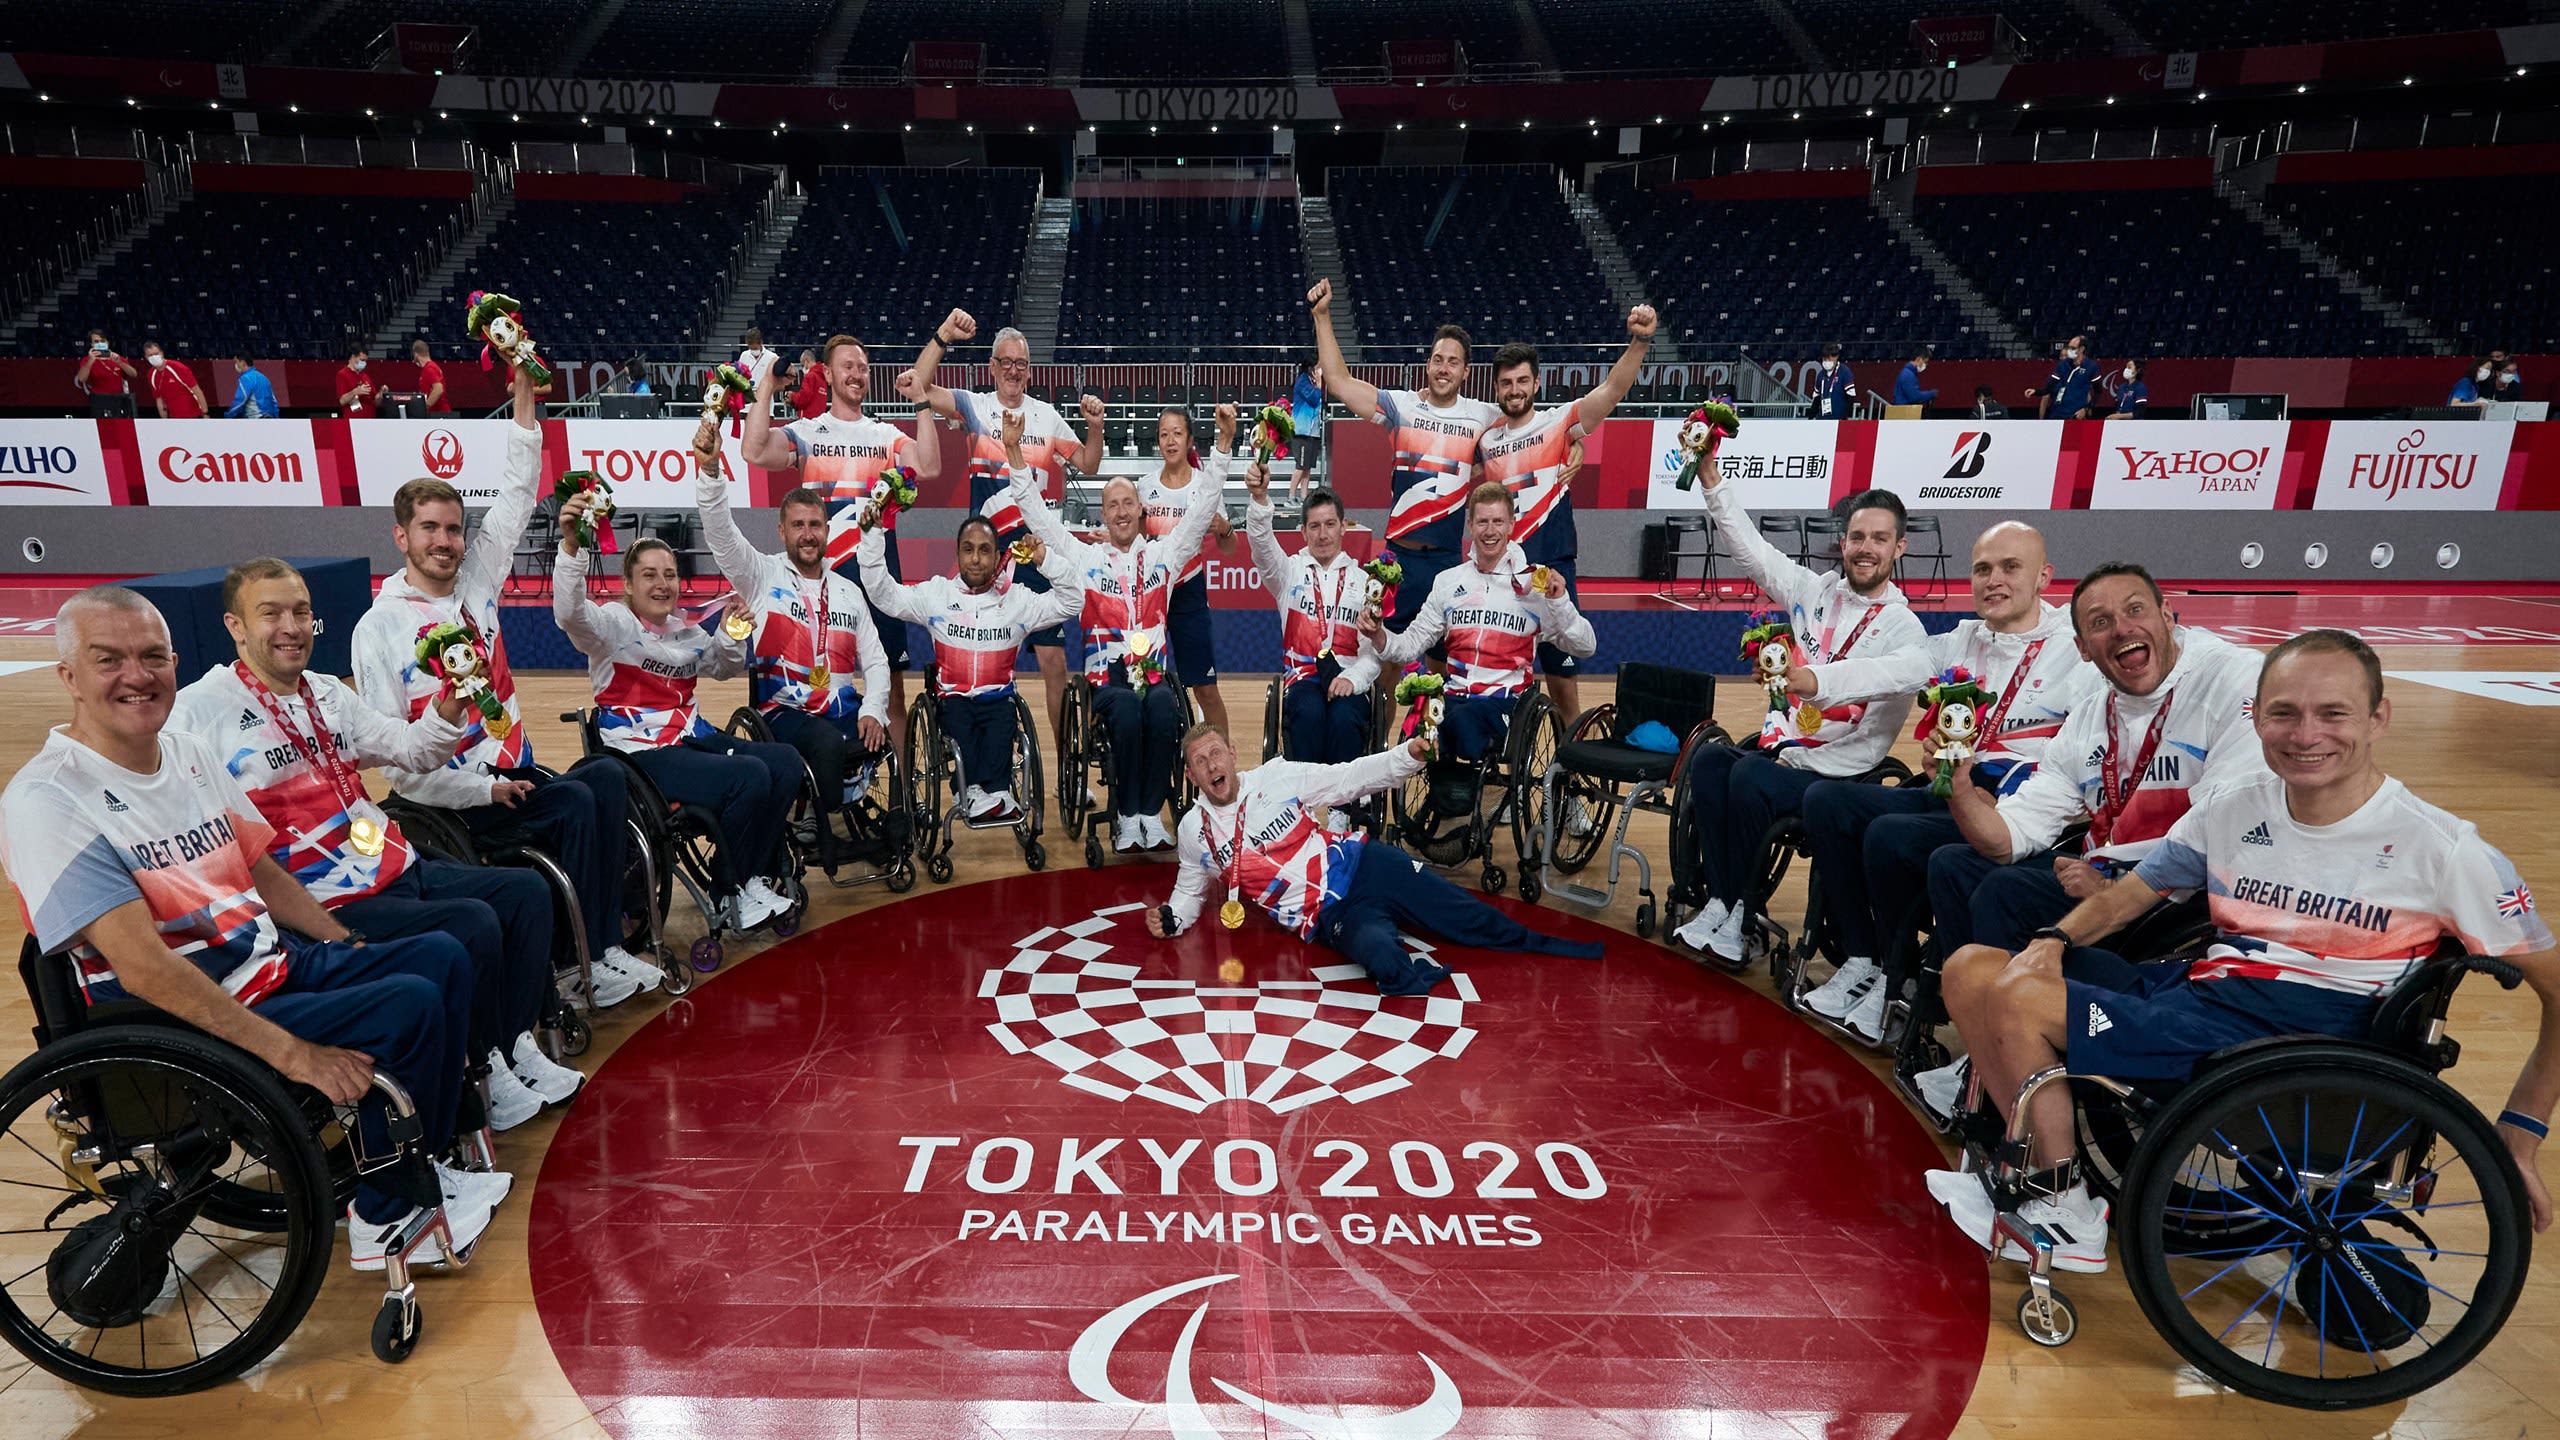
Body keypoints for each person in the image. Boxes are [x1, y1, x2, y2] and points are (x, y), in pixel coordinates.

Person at [1927, 631, 2559, 1270]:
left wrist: (2522, 1133)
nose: (2305, 734)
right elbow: (2129, 896)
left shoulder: (2447, 851)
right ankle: (2039, 1166)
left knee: (2019, 999)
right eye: (2284, 712)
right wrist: (2053, 940)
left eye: (2333, 713)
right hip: (2197, 1003)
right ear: (2255, 717)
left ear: (2378, 718)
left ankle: (2065, 1209)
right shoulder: (2233, 808)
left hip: (2279, 1046)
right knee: (1972, 967)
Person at [5, 587, 496, 1269]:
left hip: (270, 966)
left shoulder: (186, 753)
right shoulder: (48, 800)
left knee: (442, 954)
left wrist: (338, 941)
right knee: (408, 1004)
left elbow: (261, 870)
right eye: (107, 659)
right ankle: (384, 1218)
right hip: (185, 1017)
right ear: (68, 676)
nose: (137, 676)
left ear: (175, 661)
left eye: (152, 657)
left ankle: (420, 1163)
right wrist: (296, 1056)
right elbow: (144, 969)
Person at [171, 558, 584, 1134]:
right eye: (271, 614)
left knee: (524, 893)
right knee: (471, 924)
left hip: (388, 861)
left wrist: (446, 709)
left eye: (301, 612)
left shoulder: (326, 694)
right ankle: (483, 1065)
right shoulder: (196, 714)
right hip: (320, 897)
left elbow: (408, 749)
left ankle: (511, 1045)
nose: (290, 626)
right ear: (236, 626)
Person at [1907, 564, 2267, 1115]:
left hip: (2188, 895)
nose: (2122, 629)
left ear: (2169, 614)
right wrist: (1956, 786)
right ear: (2081, 647)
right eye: (2101, 623)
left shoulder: (2232, 678)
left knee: (2002, 894)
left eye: (2135, 610)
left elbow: (2225, 828)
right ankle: (1994, 1043)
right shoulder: (2092, 714)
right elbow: (2010, 838)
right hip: (2101, 877)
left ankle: (2010, 1056)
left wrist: (2121, 880)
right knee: (1960, 866)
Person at [351, 366, 658, 1004]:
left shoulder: (476, 584)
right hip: (457, 804)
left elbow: (519, 490)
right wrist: (483, 786)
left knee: (606, 776)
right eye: (430, 529)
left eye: (454, 529)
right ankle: (589, 961)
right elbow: (398, 769)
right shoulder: (378, 630)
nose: (445, 541)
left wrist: (522, 383)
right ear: (400, 536)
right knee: (577, 802)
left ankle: (596, 943)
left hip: (519, 778)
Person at [1796, 523, 2091, 1043]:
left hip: (2017, 811)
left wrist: (2000, 790)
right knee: (1826, 801)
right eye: (1982, 569)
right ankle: (1866, 960)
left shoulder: (2079, 652)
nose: (1994, 580)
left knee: (1890, 835)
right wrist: (1815, 681)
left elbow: (2079, 763)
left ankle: (1901, 979)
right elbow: (1889, 670)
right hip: (1953, 787)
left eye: (2010, 568)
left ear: (2044, 576)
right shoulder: (1961, 639)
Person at [1669, 468, 1926, 964]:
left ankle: (1744, 916)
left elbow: (1893, 674)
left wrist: (1814, 682)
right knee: (1709, 762)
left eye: (1879, 538)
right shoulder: (1815, 591)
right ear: (1843, 542)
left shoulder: (1904, 628)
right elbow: (1748, 547)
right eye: (1857, 536)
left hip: (1838, 773)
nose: (1865, 548)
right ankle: (1722, 901)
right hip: (1781, 753)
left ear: (1900, 547)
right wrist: (1710, 480)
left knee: (1746, 774)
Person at [1145, 723, 1603, 995]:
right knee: (1387, 966)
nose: (1211, 766)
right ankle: (1414, 958)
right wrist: (1172, 918)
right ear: (1190, 775)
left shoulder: (1276, 778)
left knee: (1463, 915)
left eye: (1215, 754)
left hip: (1364, 866)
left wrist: (1408, 756)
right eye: (1199, 762)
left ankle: (1543, 945)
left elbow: (1350, 778)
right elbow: (1189, 891)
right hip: (1330, 915)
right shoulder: (1193, 831)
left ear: (1232, 754)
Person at [555, 494, 800, 932]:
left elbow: (723, 667)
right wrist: (572, 549)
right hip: (640, 752)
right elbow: (570, 615)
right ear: (628, 584)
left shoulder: (683, 630)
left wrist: (730, 632)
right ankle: (731, 888)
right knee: (750, 776)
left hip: (688, 736)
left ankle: (754, 876)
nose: (661, 584)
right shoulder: (613, 625)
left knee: (784, 762)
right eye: (648, 575)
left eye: (669, 574)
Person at [1008, 407, 1231, 851]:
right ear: (1104, 516)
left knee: (1167, 710)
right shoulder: (1084, 558)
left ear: (1142, 511)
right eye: (1112, 505)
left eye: (1129, 503)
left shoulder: (1166, 554)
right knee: (1127, 713)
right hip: (1106, 679)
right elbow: (1036, 514)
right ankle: (1127, 816)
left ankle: (1151, 813)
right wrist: (1014, 450)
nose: (1122, 511)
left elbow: (1204, 504)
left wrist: (1223, 446)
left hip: (1154, 675)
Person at [854, 410, 1086, 828]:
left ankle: (993, 792)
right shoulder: (936, 595)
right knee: (962, 718)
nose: (976, 558)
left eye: (984, 550)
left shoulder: (1018, 600)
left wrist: (1046, 559)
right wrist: (873, 536)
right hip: (953, 700)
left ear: (997, 557)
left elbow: (1071, 601)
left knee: (1000, 719)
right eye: (968, 549)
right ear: (957, 554)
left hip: (998, 698)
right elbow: (882, 593)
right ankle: (981, 793)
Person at [902, 308, 1107, 754]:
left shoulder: (1047, 416)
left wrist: (1096, 428)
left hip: (1034, 553)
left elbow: (1089, 464)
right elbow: (916, 383)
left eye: (1021, 364)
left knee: (1055, 664)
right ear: (993, 367)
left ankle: (1066, 764)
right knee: (970, 656)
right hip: (985, 557)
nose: (1014, 371)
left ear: (1029, 372)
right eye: (1006, 362)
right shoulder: (975, 406)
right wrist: (942, 335)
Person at [694, 423, 892, 873]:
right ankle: (815, 824)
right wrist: (709, 471)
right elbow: (721, 535)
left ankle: (824, 812)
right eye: (798, 526)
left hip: (840, 708)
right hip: (784, 712)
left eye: (815, 525)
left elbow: (877, 662)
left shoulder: (847, 591)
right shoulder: (761, 575)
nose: (808, 534)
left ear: (827, 531)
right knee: (824, 743)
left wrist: (874, 709)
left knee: (860, 733)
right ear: (782, 532)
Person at [1357, 482, 1597, 832]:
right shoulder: (1448, 581)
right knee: (1431, 719)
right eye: (1482, 522)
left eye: (1498, 522)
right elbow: (1411, 644)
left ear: (1512, 524)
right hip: (1454, 698)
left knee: (1458, 726)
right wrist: (1379, 635)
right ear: (1469, 525)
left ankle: (1459, 791)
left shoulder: (1536, 584)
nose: (1490, 531)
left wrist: (1560, 602)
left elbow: (1585, 645)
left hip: (1506, 705)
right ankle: (1447, 795)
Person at [740, 333, 938, 749]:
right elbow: (754, 451)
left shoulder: (885, 434)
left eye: (863, 367)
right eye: (848, 366)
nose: (857, 374)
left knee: (894, 693)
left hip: (878, 573)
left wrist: (921, 403)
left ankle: (901, 801)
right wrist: (766, 388)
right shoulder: (808, 431)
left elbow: (930, 466)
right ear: (827, 374)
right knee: (815, 683)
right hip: (823, 579)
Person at [1303, 279, 1499, 685]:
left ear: (1466, 370)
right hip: (1397, 562)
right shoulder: (1402, 407)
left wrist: (1578, 449)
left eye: (1453, 361)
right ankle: (1382, 746)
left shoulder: (1483, 415)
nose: (1443, 367)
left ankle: (1429, 745)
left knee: (1441, 670)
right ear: (1428, 363)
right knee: (1385, 664)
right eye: (1437, 359)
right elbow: (1338, 382)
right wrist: (1322, 317)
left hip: (1446, 563)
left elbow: (1528, 429)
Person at [1476, 307, 1654, 722]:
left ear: (1536, 382)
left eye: (1522, 380)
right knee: (1501, 675)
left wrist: (1640, 341)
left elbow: (1611, 389)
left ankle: (1568, 774)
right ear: (1497, 388)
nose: (1515, 389)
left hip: (1552, 565)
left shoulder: (1559, 423)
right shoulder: (1485, 437)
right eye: (1506, 383)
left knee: (1562, 683)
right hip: (1504, 571)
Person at [1243, 465, 1375, 796]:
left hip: (1348, 678)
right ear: (1303, 532)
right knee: (1309, 711)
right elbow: (1260, 545)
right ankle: (1302, 808)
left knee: (1346, 719)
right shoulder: (1288, 571)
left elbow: (1373, 656)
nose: (1323, 534)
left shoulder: (1364, 583)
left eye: (1330, 524)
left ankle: (1343, 811)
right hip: (1302, 678)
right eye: (1314, 526)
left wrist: (1352, 680)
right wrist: (1260, 499)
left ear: (1344, 526)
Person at [1136, 407, 1235, 739]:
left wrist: (1224, 529)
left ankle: (1223, 758)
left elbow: (1229, 548)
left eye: (1177, 433)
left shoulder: (1205, 486)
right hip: (1150, 595)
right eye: (1164, 433)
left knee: (1205, 689)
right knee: (1145, 683)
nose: (1170, 440)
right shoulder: (1145, 486)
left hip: (1189, 592)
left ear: (1190, 439)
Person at [2028, 335, 2097, 419]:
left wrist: (2086, 409)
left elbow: (2095, 392)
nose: (2069, 351)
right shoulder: (2061, 366)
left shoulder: (2091, 366)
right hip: (2057, 414)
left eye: (2073, 348)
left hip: (2075, 416)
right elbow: (2047, 390)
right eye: (2069, 348)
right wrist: (2035, 391)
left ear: (2081, 349)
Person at [1288, 355, 1326, 495]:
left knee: (1308, 467)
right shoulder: (1302, 382)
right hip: (1302, 430)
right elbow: (1314, 399)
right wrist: (1320, 383)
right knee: (1301, 465)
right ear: (1311, 367)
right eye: (1319, 366)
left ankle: (1304, 496)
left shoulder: (1312, 381)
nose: (1321, 369)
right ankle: (1290, 496)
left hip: (1313, 431)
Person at [142, 339, 206, 419]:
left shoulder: (178, 368)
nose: (154, 357)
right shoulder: (151, 375)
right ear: (146, 357)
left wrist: (205, 413)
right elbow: (159, 399)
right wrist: (164, 420)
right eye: (150, 355)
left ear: (161, 353)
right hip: (174, 418)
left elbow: (197, 391)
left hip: (194, 415)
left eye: (156, 354)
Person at [74, 330, 135, 401]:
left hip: (118, 399)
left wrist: (120, 362)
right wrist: (91, 361)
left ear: (108, 342)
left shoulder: (117, 357)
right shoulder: (86, 360)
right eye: (96, 342)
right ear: (91, 344)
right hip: (98, 400)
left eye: (102, 341)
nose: (100, 343)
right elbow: (81, 379)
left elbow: (133, 374)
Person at [1810, 342, 1856, 420]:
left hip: (1838, 419)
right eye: (1825, 359)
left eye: (1829, 359)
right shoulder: (1821, 375)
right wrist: (1811, 417)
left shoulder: (1844, 372)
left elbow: (1850, 397)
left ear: (1836, 357)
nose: (1827, 361)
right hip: (1822, 419)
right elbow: (1817, 398)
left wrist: (1845, 418)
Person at [337, 344, 377, 420]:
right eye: (362, 360)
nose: (364, 363)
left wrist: (381, 393)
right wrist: (355, 392)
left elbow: (375, 400)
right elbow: (342, 401)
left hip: (370, 419)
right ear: (353, 357)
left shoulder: (365, 376)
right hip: (354, 420)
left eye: (366, 361)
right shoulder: (342, 374)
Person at [412, 339, 450, 414]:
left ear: (416, 354)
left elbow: (438, 389)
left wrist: (425, 406)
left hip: (438, 414)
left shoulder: (429, 369)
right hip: (437, 413)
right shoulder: (431, 367)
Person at [790, 347, 828, 419]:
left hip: (808, 419)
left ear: (806, 361)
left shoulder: (810, 376)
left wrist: (792, 396)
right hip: (820, 419)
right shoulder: (823, 377)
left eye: (802, 365)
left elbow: (803, 398)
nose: (802, 368)